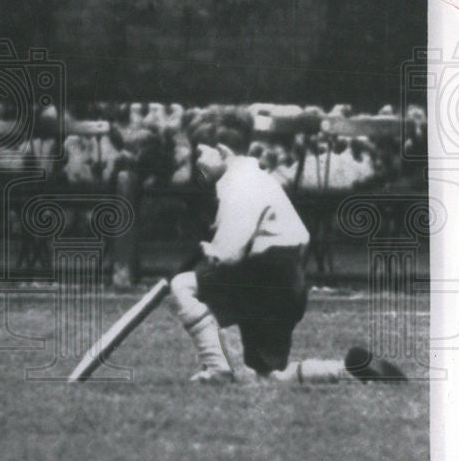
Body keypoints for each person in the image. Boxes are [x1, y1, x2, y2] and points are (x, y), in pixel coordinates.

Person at [169, 107, 406, 384]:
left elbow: (228, 254)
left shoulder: (238, 183)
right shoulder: (259, 178)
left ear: (221, 150)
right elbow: (296, 237)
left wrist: (210, 252)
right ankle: (347, 371)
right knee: (269, 377)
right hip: (286, 280)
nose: (196, 162)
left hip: (266, 277)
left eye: (200, 153)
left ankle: (218, 368)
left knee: (183, 286)